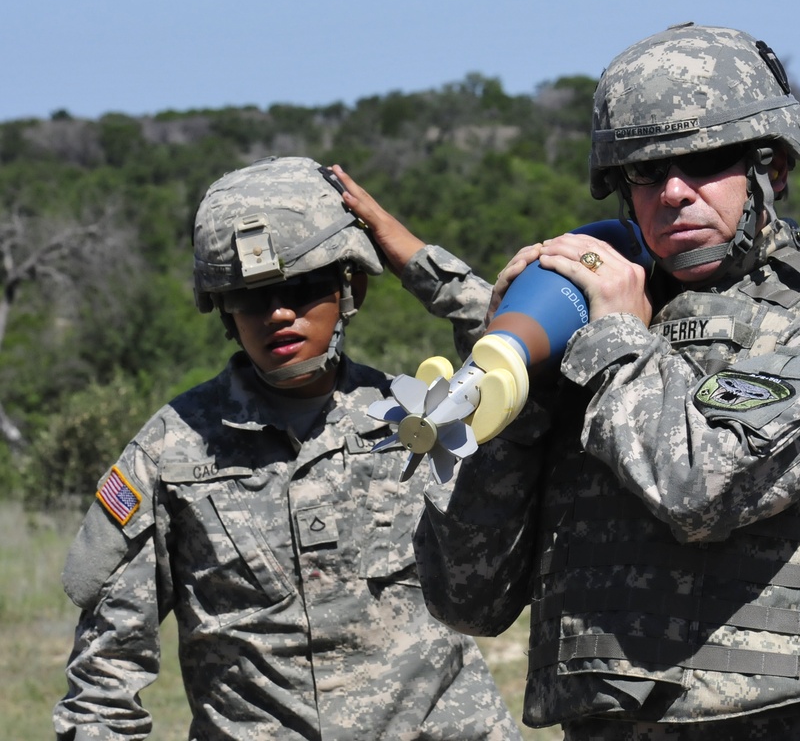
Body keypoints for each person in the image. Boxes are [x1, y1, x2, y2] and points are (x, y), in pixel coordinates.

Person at [335, 22, 800, 740]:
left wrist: (616, 343)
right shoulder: (589, 338)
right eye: (647, 174)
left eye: (705, 162)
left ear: (772, 168)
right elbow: (467, 597)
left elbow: (700, 487)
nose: (675, 193)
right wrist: (520, 390)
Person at [52, 156, 523, 741]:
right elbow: (104, 675)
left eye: (302, 289)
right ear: (224, 308)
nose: (278, 314)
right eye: (252, 299)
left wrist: (415, 262)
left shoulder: (424, 417)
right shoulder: (170, 452)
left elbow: (526, 354)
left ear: (349, 287)